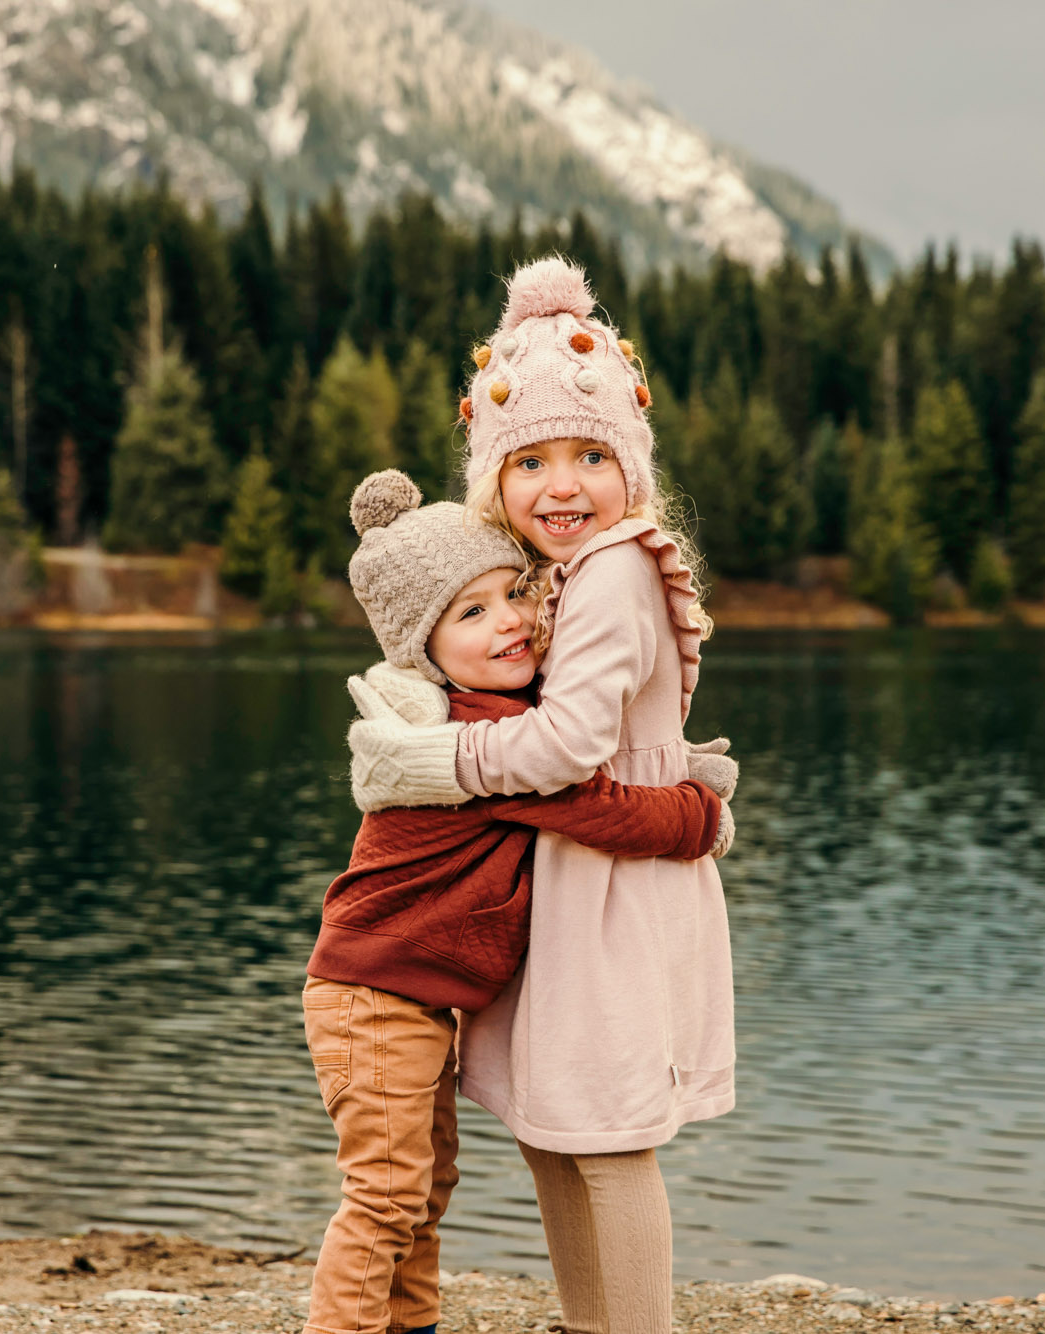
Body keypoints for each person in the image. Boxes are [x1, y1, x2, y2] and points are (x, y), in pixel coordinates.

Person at [342, 256, 741, 1334]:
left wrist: (439, 766)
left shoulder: (611, 568)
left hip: (609, 895)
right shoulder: (553, 578)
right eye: (529, 461)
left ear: (631, 467)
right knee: (555, 1130)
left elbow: (566, 746)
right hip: (567, 891)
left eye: (589, 455)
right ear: (493, 481)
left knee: (605, 1139)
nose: (560, 484)